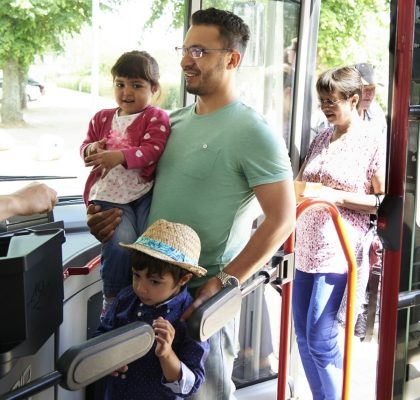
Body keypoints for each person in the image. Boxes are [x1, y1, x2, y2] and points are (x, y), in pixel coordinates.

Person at [86, 7, 295, 399]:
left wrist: (224, 281)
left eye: (198, 51)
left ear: (232, 59)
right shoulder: (172, 123)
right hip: (146, 294)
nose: (184, 60)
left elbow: (282, 220)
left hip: (200, 302)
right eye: (184, 49)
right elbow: (135, 192)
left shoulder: (254, 132)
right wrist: (104, 220)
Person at [292, 66, 385, 399]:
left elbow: (382, 199)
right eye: (322, 101)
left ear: (354, 99)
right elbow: (304, 182)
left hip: (339, 249)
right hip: (306, 246)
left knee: (320, 337)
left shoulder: (372, 140)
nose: (326, 108)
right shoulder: (321, 137)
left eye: (332, 101)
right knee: (302, 335)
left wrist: (337, 196)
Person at [80, 50, 170, 318]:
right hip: (109, 193)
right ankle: (113, 299)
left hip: (141, 192)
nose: (126, 92)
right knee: (121, 240)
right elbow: (85, 147)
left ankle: (143, 301)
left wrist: (119, 156)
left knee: (148, 242)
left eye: (137, 85)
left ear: (154, 89)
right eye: (120, 84)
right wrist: (92, 149)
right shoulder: (101, 118)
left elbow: (153, 149)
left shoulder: (155, 117)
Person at [96, 219, 209, 399]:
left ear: (183, 279)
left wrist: (166, 354)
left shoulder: (191, 318)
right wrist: (108, 360)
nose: (140, 288)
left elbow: (190, 385)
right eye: (136, 275)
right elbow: (101, 337)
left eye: (154, 281)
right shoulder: (126, 298)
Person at [353, 62, 387, 139]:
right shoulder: (338, 113)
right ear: (352, 89)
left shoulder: (377, 112)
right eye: (365, 88)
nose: (370, 93)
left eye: (373, 88)